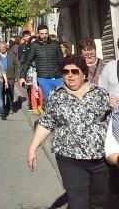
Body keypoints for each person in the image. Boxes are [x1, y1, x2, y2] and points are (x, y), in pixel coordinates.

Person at [27, 54, 109, 209]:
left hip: (100, 160)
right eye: (66, 72)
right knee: (79, 203)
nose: (70, 75)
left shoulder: (101, 94)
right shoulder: (56, 96)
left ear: (84, 74)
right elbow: (46, 123)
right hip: (69, 160)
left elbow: (113, 123)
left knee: (100, 203)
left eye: (75, 71)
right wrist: (32, 148)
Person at [19, 24, 64, 101]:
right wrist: (22, 76)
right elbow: (28, 61)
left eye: (46, 33)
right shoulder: (34, 46)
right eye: (42, 34)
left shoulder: (55, 44)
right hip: (43, 78)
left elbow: (61, 61)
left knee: (62, 99)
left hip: (58, 77)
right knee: (50, 100)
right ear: (38, 34)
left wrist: (66, 73)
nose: (44, 36)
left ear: (48, 33)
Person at [0, 41, 19, 114]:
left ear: (6, 47)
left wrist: (16, 76)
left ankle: (10, 107)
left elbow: (16, 66)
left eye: (4, 47)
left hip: (10, 77)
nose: (2, 49)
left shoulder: (11, 55)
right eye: (1, 47)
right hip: (0, 78)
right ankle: (2, 108)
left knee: (10, 92)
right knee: (1, 93)